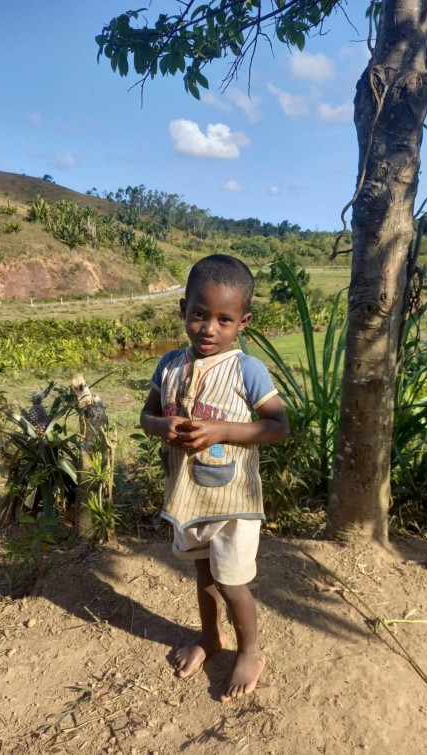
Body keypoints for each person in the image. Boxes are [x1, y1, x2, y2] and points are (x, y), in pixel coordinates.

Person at [140, 254, 290, 702]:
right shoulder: (169, 365)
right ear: (183, 309)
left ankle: (251, 651)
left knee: (231, 581)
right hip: (188, 497)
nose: (209, 328)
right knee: (204, 575)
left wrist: (223, 430)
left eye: (224, 320)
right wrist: (160, 426)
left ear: (242, 322)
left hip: (233, 504)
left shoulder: (248, 370)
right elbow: (146, 414)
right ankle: (210, 637)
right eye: (199, 315)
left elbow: (278, 427)